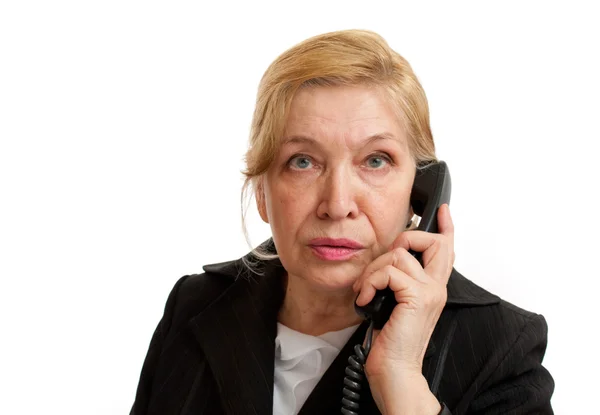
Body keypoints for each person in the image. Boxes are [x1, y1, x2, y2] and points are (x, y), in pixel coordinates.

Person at [129, 29, 554, 414]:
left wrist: (400, 378)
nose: (337, 204)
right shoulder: (195, 305)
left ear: (420, 192)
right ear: (262, 191)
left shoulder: (501, 346)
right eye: (302, 161)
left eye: (375, 160)